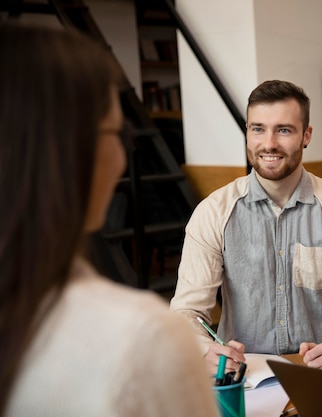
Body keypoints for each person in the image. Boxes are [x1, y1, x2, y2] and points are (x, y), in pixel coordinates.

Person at [0, 22, 219, 416]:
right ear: (71, 150)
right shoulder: (143, 339)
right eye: (117, 134)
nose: (122, 159)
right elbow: (187, 308)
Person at [170, 80, 322, 375]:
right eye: (258, 129)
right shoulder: (214, 212)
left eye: (284, 130)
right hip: (240, 378)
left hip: (318, 375)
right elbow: (186, 312)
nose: (269, 143)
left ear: (306, 135)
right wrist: (204, 351)